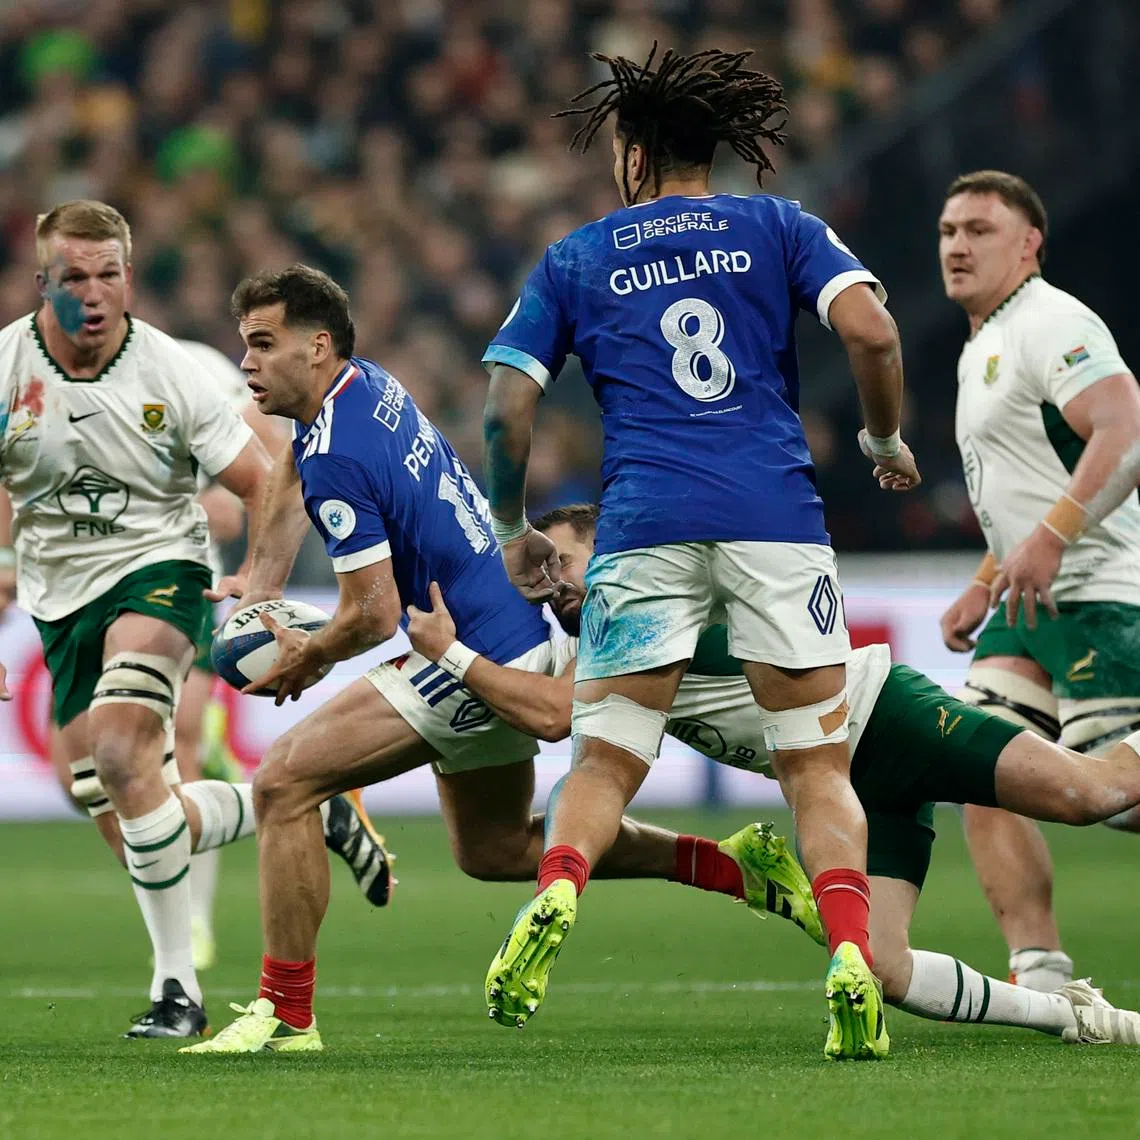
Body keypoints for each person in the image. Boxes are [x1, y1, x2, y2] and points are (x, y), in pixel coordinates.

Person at [480, 45, 919, 1059]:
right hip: (776, 518)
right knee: (813, 764)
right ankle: (850, 951)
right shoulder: (780, 224)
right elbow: (875, 334)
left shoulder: (579, 255)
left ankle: (557, 890)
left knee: (606, 754)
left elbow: (508, 408)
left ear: (633, 154)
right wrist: (883, 439)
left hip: (640, 526)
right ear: (717, 149)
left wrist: (515, 525)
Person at [402, 503, 1140, 1045]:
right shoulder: (599, 647)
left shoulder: (657, 594)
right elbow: (563, 728)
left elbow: (554, 714)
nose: (550, 581)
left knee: (1095, 794)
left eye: (561, 560)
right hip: (844, 791)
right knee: (884, 969)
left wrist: (452, 653)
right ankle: (1073, 1015)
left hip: (890, 721)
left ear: (612, 551)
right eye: (540, 572)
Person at [180, 264, 562, 1054]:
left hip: (472, 650)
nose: (245, 362)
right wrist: (263, 582)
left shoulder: (339, 457)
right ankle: (730, 867)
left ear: (315, 347)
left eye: (262, 344)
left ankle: (286, 1016)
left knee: (283, 782)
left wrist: (308, 658)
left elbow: (374, 612)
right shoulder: (361, 386)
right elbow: (287, 464)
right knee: (495, 851)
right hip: (509, 626)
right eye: (242, 344)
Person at [0, 199, 272, 1036]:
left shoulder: (173, 373)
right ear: (43, 279)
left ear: (129, 274)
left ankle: (175, 989)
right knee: (96, 783)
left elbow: (260, 481)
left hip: (163, 568)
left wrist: (258, 582)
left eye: (108, 274)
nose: (93, 292)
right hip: (59, 591)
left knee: (126, 747)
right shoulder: (8, 367)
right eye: (73, 277)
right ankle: (295, 796)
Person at [937, 171, 1140, 992]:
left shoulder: (1052, 319)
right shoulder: (984, 340)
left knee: (1111, 800)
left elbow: (1124, 425)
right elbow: (1031, 477)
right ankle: (1041, 969)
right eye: (949, 230)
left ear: (1030, 245)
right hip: (1027, 605)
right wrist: (988, 577)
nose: (956, 244)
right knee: (975, 768)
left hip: (1099, 594)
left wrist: (1053, 540)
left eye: (979, 230)